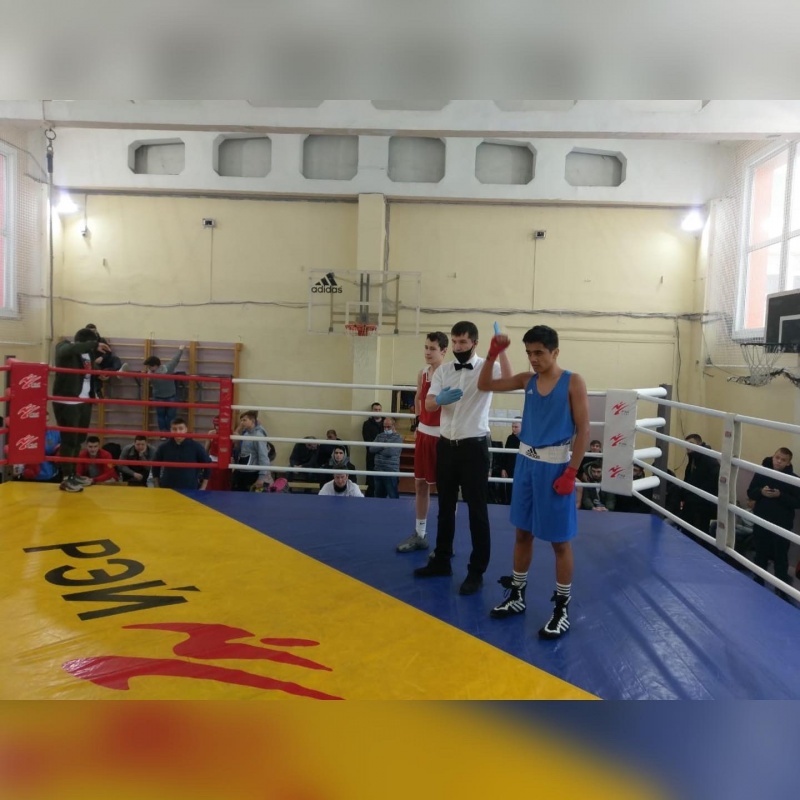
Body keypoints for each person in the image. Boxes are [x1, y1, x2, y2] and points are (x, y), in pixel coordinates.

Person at [477, 324, 590, 639]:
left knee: (559, 542)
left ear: (555, 352)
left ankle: (561, 608)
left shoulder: (573, 382)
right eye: (529, 353)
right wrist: (493, 354)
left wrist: (572, 472)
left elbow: (584, 430)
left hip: (555, 467)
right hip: (525, 464)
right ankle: (517, 594)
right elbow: (485, 384)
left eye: (539, 352)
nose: (534, 359)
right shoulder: (527, 380)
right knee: (522, 533)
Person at [413, 321, 510, 596]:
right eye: (454, 342)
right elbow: (428, 403)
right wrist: (439, 399)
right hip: (446, 445)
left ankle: (476, 571)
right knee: (445, 507)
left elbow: (509, 378)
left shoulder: (486, 368)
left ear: (474, 343)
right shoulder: (444, 370)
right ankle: (441, 560)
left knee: (477, 510)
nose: (457, 347)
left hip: (474, 448)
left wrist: (501, 349)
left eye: (463, 342)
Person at [397, 331, 448, 552]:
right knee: (420, 484)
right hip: (424, 434)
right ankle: (420, 533)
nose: (427, 352)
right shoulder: (423, 374)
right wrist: (418, 423)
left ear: (444, 351)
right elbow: (418, 398)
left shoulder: (450, 374)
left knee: (445, 489)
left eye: (432, 348)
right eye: (426, 347)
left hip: (443, 436)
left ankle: (446, 540)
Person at [52, 327, 111, 493]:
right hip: (67, 400)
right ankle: (66, 478)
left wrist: (99, 374)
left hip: (85, 400)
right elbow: (69, 350)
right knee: (69, 439)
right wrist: (93, 345)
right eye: (92, 343)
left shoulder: (89, 354)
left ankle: (73, 474)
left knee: (79, 439)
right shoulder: (64, 347)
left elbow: (88, 371)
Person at [747, 447, 800, 599]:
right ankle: (758, 579)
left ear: (788, 463)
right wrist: (761, 492)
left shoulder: (793, 479)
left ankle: (781, 588)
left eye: (783, 460)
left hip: (782, 524)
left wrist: (780, 495)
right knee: (760, 553)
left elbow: (798, 503)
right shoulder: (762, 472)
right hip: (761, 520)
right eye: (777, 457)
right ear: (772, 457)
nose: (779, 461)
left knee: (780, 556)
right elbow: (750, 492)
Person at [152, 417, 212, 490]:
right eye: (174, 429)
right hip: (167, 489)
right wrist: (157, 486)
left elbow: (208, 464)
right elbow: (155, 466)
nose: (178, 432)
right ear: (170, 430)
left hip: (190, 490)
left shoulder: (196, 447)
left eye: (181, 428)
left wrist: (203, 487)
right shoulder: (163, 447)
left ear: (186, 429)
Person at [680, 433, 720, 535]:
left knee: (698, 533)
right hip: (692, 502)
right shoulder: (694, 458)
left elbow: (712, 483)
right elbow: (689, 479)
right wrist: (684, 496)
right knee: (688, 531)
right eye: (686, 444)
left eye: (691, 443)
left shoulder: (708, 460)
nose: (688, 446)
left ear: (699, 444)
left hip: (701, 505)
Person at [143, 346, 186, 432]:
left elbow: (175, 359)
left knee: (163, 417)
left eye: (150, 366)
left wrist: (180, 350)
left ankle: (165, 434)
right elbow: (175, 359)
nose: (149, 368)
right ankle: (167, 434)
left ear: (155, 365)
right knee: (168, 417)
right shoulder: (167, 368)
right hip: (168, 396)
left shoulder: (150, 375)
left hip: (162, 397)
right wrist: (181, 349)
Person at [232, 410, 272, 492]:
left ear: (252, 421)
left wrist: (261, 478)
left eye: (244, 420)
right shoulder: (246, 433)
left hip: (252, 473)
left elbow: (263, 456)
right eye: (241, 420)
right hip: (242, 470)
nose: (242, 423)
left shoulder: (258, 436)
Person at [371, 416, 404, 499]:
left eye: (388, 427)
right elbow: (371, 449)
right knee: (378, 497)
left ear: (394, 426)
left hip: (391, 471)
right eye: (384, 426)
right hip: (378, 470)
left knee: (393, 496)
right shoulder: (379, 436)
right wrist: (384, 446)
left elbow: (390, 452)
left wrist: (379, 447)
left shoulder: (398, 438)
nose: (386, 429)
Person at [498, 417, 522, 505]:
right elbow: (505, 454)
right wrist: (503, 468)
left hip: (521, 470)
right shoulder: (510, 438)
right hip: (510, 469)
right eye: (512, 427)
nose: (513, 429)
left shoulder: (526, 439)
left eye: (516, 427)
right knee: (509, 492)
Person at [362, 402, 384, 497]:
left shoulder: (386, 423)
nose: (377, 411)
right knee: (371, 480)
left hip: (384, 457)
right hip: (372, 457)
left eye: (379, 410)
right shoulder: (367, 424)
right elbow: (368, 441)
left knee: (383, 480)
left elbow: (389, 439)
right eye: (375, 410)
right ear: (372, 411)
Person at [205, 416, 232, 491]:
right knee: (211, 485)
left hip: (225, 463)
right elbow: (206, 449)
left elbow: (236, 448)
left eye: (219, 425)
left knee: (224, 484)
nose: (217, 427)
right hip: (213, 462)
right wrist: (205, 462)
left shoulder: (231, 434)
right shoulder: (211, 433)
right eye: (215, 425)